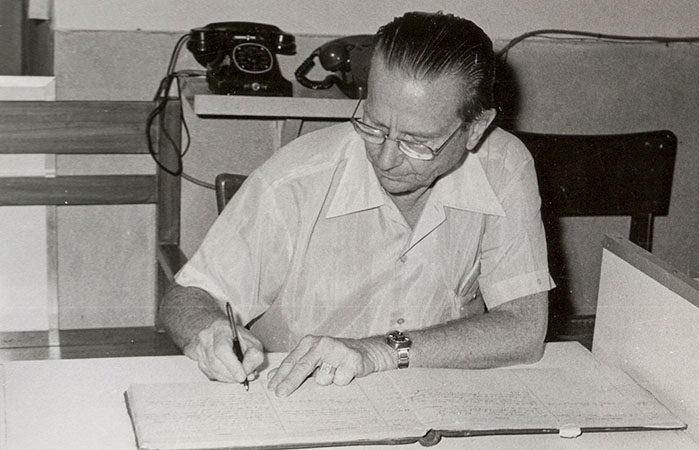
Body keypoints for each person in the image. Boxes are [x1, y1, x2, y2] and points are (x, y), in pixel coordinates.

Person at [160, 11, 555, 397]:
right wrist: (208, 331)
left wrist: (378, 351)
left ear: (476, 128)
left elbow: (523, 328)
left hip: (437, 401)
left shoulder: (504, 166)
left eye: (418, 143)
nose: (385, 159)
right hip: (299, 401)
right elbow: (188, 297)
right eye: (374, 126)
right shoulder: (293, 181)